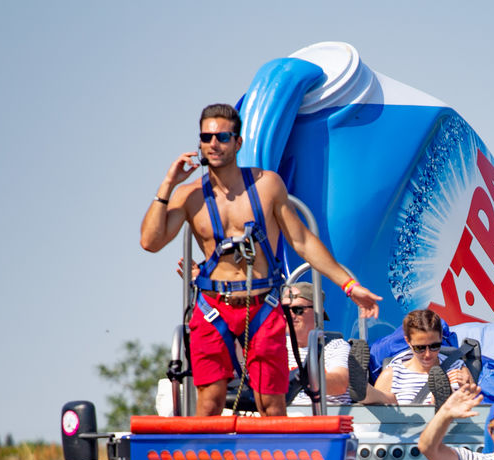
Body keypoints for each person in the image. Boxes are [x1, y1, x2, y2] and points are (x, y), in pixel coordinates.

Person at [140, 102, 381, 417]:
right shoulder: (189, 195)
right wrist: (167, 184)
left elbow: (302, 240)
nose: (214, 144)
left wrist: (349, 285)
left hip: (261, 305)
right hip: (213, 308)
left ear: (237, 142)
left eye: (222, 137)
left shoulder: (267, 185)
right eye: (206, 137)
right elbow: (150, 242)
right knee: (210, 402)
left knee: (271, 403)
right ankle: (208, 452)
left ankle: (275, 452)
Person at [366, 308, 471, 406]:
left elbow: (476, 408)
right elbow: (377, 416)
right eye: (420, 348)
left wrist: (467, 387)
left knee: (454, 396)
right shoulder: (392, 375)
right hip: (405, 419)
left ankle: (444, 399)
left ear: (440, 338)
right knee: (383, 399)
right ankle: (364, 391)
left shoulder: (458, 369)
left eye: (434, 346)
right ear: (408, 341)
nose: (428, 354)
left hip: (453, 418)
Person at [281, 282, 351, 407]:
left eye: (298, 309)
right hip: (283, 414)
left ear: (317, 312)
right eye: (285, 309)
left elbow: (340, 384)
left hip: (326, 415)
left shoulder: (336, 346)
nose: (290, 315)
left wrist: (301, 379)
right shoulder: (274, 346)